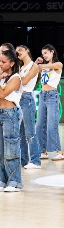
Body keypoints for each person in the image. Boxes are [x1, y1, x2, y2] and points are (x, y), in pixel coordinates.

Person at [35, 44, 64, 161]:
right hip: (42, 95)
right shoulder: (43, 67)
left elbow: (53, 66)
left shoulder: (58, 64)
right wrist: (37, 65)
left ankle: (59, 152)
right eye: (43, 54)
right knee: (39, 125)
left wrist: (39, 65)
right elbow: (37, 77)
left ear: (52, 52)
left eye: (46, 53)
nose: (44, 56)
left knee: (52, 125)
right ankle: (43, 151)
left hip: (52, 95)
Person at [0, 47, 23, 192]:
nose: (0, 64)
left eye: (3, 62)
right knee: (1, 151)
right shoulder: (2, 77)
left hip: (10, 114)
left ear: (12, 63)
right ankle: (2, 180)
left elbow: (3, 94)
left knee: (11, 149)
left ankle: (15, 181)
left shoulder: (16, 78)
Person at [16, 45, 42, 169]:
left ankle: (36, 160)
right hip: (18, 99)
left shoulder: (34, 66)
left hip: (27, 99)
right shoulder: (20, 67)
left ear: (27, 50)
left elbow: (24, 81)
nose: (18, 53)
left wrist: (15, 79)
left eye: (20, 50)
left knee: (30, 132)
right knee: (21, 133)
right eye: (16, 52)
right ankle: (24, 160)